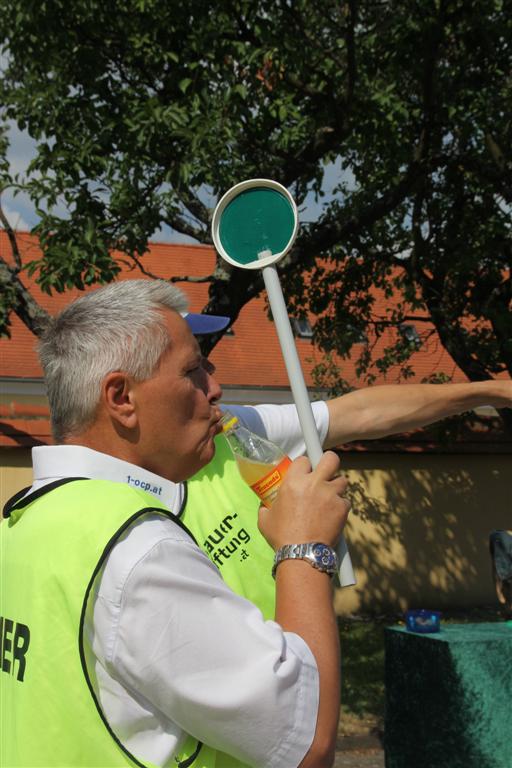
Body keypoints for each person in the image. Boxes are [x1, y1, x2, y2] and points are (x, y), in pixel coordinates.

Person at [0, 280, 351, 768]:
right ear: (121, 397)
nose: (215, 386)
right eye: (193, 370)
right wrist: (305, 547)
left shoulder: (23, 523)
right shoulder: (137, 547)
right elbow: (305, 739)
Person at [183, 378, 512, 619]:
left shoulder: (231, 426)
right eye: (190, 369)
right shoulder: (136, 503)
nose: (215, 385)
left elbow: (364, 412)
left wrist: (493, 391)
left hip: (296, 657)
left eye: (205, 359)